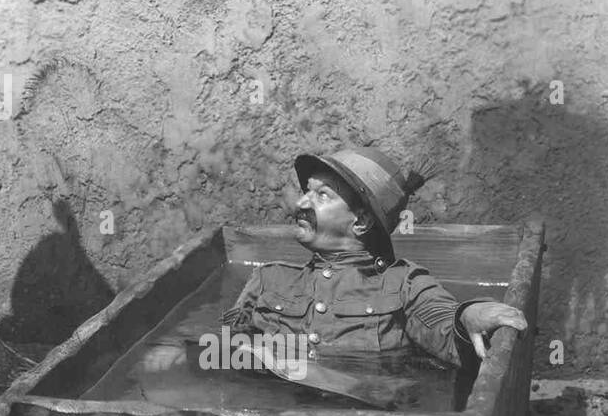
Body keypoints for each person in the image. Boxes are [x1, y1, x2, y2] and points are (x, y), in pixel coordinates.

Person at [221, 147, 527, 367]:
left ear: (362, 221)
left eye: (321, 194)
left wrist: (468, 316)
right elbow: (219, 358)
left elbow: (446, 328)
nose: (301, 202)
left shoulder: (403, 284)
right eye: (306, 191)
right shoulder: (267, 279)